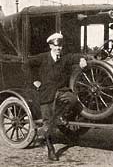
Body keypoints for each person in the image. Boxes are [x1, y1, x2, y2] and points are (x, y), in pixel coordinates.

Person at [27, 32, 87, 161]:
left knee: (72, 99)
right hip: (46, 93)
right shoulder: (43, 57)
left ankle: (60, 116)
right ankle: (51, 149)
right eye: (56, 46)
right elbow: (27, 64)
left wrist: (82, 58)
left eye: (60, 46)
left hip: (61, 91)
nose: (59, 48)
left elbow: (74, 56)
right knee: (48, 124)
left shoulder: (64, 58)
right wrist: (35, 80)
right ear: (50, 46)